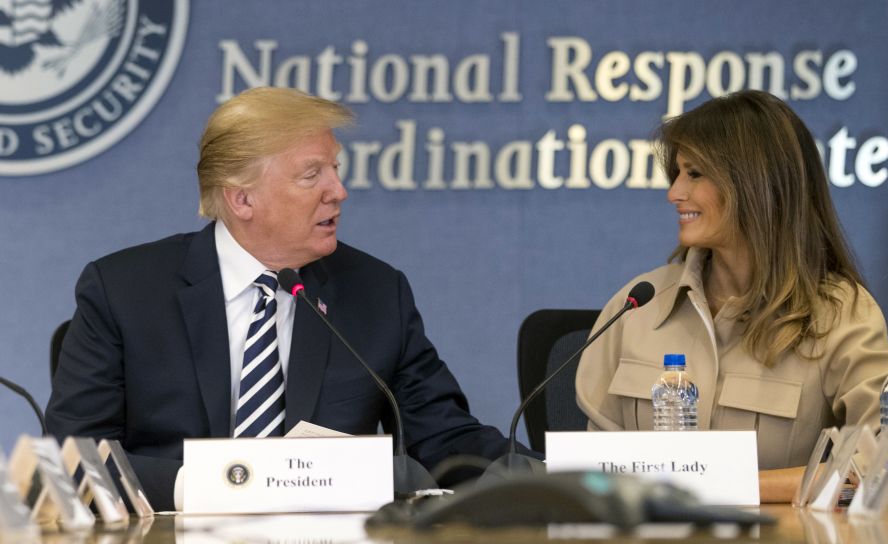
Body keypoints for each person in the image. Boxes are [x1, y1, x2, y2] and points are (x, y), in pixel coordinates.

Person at [46, 87, 534, 511]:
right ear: (242, 199)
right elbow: (77, 455)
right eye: (311, 175)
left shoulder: (375, 292)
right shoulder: (125, 291)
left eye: (335, 169)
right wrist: (216, 486)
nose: (338, 191)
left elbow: (446, 439)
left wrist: (565, 479)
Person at [575, 90, 888, 502]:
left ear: (754, 182)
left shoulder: (840, 314)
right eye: (676, 174)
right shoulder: (635, 306)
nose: (674, 193)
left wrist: (725, 487)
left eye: (694, 174)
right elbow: (594, 477)